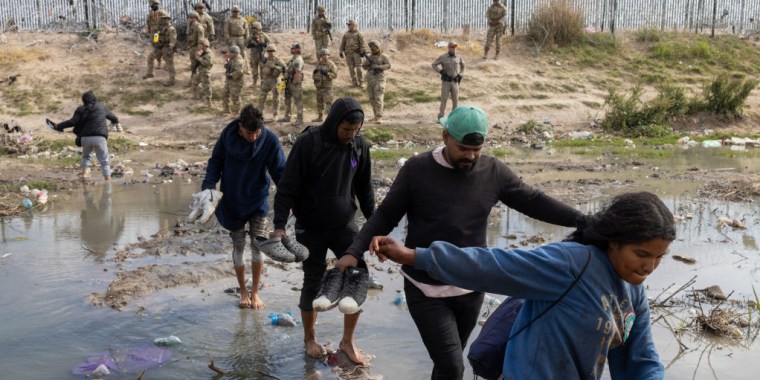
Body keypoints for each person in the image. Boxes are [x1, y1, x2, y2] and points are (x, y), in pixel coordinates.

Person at [341, 105, 584, 379]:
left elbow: (533, 201)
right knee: (452, 366)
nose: (470, 156)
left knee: (450, 364)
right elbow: (386, 214)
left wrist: (580, 220)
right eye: (463, 148)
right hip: (425, 286)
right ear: (445, 137)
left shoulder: (493, 171)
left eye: (476, 150)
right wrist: (354, 251)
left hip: (472, 286)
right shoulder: (417, 169)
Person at [372, 191, 674, 380]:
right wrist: (415, 256)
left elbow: (642, 361)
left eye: (659, 257)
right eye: (642, 254)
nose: (649, 267)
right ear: (614, 241)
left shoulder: (633, 294)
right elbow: (491, 266)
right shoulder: (573, 264)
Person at [271, 97, 375, 365]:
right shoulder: (310, 143)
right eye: (346, 130)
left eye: (355, 130)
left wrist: (376, 228)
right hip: (311, 227)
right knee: (313, 280)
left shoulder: (359, 147)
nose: (350, 135)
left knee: (357, 277)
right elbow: (287, 186)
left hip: (345, 225)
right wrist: (280, 226)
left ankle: (347, 342)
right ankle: (309, 338)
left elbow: (365, 190)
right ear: (333, 122)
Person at [201, 104, 286, 309]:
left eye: (257, 133)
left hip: (258, 200)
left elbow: (281, 172)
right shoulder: (227, 137)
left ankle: (255, 292)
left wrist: (290, 197)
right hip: (232, 200)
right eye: (249, 133)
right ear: (240, 127)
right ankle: (243, 291)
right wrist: (208, 189)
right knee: (238, 246)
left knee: (258, 247)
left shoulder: (270, 141)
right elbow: (215, 163)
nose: (254, 137)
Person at [55, 91, 120, 182]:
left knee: (86, 156)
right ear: (94, 99)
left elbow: (72, 122)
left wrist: (59, 126)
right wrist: (111, 126)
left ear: (83, 100)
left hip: (85, 138)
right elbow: (115, 118)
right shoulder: (102, 107)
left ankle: (84, 175)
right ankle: (107, 180)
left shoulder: (80, 109)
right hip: (100, 137)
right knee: (104, 160)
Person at [432, 41, 465, 121]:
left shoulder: (458, 56)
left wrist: (460, 74)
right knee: (444, 99)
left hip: (455, 82)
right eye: (452, 47)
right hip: (446, 82)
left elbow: (463, 65)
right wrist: (441, 72)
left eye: (455, 47)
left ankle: (454, 118)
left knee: (455, 100)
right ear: (449, 48)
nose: (454, 49)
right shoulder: (443, 57)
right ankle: (441, 117)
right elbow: (434, 64)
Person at [143, 10, 176, 86]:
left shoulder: (171, 29)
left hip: (167, 48)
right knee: (150, 57)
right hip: (159, 47)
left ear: (168, 19)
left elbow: (173, 40)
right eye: (162, 19)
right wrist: (155, 43)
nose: (163, 20)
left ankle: (172, 80)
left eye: (165, 19)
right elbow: (156, 36)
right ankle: (150, 73)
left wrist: (170, 48)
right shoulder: (160, 27)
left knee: (170, 64)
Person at [362, 40, 391, 124]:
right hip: (370, 79)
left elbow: (388, 65)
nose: (372, 49)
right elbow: (364, 67)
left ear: (378, 47)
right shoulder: (369, 57)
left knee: (378, 97)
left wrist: (378, 67)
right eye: (371, 48)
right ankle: (375, 115)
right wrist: (367, 64)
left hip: (380, 78)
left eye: (374, 47)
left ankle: (379, 116)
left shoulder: (384, 56)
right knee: (371, 98)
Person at [278, 43, 304, 126]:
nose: (291, 50)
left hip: (294, 84)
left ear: (297, 49)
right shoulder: (293, 59)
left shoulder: (298, 60)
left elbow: (298, 72)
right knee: (287, 100)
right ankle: (287, 116)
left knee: (298, 101)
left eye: (292, 48)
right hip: (287, 82)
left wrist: (294, 82)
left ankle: (299, 119)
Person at [258, 45, 286, 121]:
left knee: (276, 98)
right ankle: (260, 114)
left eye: (272, 51)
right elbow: (261, 69)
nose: (270, 53)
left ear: (275, 51)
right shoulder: (265, 59)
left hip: (275, 81)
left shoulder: (278, 60)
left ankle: (275, 114)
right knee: (261, 97)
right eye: (269, 51)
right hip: (266, 81)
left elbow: (284, 68)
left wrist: (275, 67)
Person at [312, 48, 338, 122]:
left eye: (326, 55)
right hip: (319, 86)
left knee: (329, 102)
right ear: (321, 56)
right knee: (319, 102)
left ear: (329, 56)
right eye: (323, 55)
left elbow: (335, 75)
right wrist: (315, 76)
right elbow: (314, 73)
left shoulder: (331, 64)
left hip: (327, 87)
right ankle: (320, 117)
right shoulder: (319, 64)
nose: (324, 56)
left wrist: (327, 74)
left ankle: (330, 118)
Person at [339, 20, 367, 87]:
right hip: (348, 53)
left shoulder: (359, 34)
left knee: (358, 68)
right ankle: (354, 82)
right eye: (348, 25)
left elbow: (363, 43)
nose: (349, 26)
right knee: (351, 68)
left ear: (354, 25)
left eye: (350, 25)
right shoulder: (346, 34)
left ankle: (361, 82)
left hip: (356, 53)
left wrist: (362, 51)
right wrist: (340, 51)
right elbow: (343, 43)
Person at [222, 45, 245, 114]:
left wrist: (230, 75)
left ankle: (237, 112)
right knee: (224, 94)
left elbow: (239, 72)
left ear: (235, 53)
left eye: (230, 52)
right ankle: (226, 109)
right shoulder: (232, 59)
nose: (228, 54)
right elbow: (228, 67)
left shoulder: (239, 61)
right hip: (230, 81)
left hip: (236, 82)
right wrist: (227, 61)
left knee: (235, 97)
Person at [224, 5, 249, 70]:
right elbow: (226, 30)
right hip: (233, 38)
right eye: (234, 11)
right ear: (232, 12)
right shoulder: (228, 20)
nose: (236, 13)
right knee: (232, 53)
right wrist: (228, 38)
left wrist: (247, 39)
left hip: (241, 38)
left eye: (237, 11)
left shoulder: (243, 19)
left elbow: (246, 29)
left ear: (239, 12)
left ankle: (245, 69)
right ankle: (231, 68)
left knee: (243, 53)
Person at [191, 38, 213, 107]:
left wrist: (199, 58)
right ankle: (195, 95)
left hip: (205, 72)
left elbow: (208, 63)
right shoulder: (202, 52)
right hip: (200, 71)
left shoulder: (209, 53)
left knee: (206, 87)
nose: (199, 46)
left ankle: (208, 102)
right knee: (194, 82)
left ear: (205, 45)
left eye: (201, 44)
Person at [246, 22, 269, 87]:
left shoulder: (263, 35)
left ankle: (263, 82)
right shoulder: (251, 36)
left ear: (258, 28)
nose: (253, 30)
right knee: (254, 69)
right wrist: (251, 45)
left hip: (261, 54)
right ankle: (254, 82)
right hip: (254, 55)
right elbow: (247, 44)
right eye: (253, 28)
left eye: (254, 28)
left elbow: (269, 43)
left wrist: (264, 44)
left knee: (262, 69)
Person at [186, 11, 205, 78]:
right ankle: (194, 79)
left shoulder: (199, 27)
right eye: (190, 18)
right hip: (192, 47)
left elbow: (201, 40)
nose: (190, 19)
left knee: (196, 65)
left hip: (196, 47)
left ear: (196, 18)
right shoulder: (191, 26)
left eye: (192, 18)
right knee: (193, 64)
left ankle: (196, 80)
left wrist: (199, 50)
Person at [146, 0, 163, 69]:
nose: (151, 5)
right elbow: (148, 23)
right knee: (156, 47)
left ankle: (164, 63)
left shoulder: (161, 13)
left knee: (161, 48)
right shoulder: (150, 13)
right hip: (154, 34)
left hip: (159, 33)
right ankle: (159, 62)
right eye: (150, 4)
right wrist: (149, 31)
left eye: (152, 4)